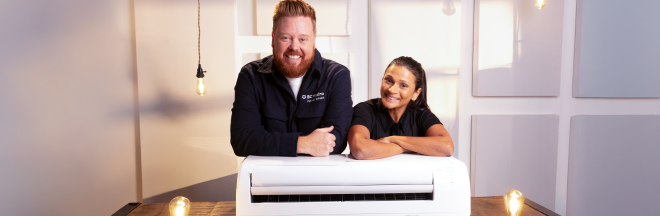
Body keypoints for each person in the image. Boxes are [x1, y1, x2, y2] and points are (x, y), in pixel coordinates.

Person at [230, 0, 353, 157]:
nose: (294, 47)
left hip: (319, 178)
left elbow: (335, 142)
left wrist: (270, 144)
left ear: (314, 41)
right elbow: (242, 140)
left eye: (303, 39)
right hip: (266, 178)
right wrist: (304, 144)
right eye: (286, 38)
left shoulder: (336, 76)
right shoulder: (251, 76)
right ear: (273, 39)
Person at [348, 56, 454, 160]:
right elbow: (360, 150)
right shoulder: (365, 109)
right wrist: (407, 147)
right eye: (389, 80)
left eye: (403, 85)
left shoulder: (421, 115)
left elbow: (447, 147)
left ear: (416, 93)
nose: (392, 90)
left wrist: (392, 139)